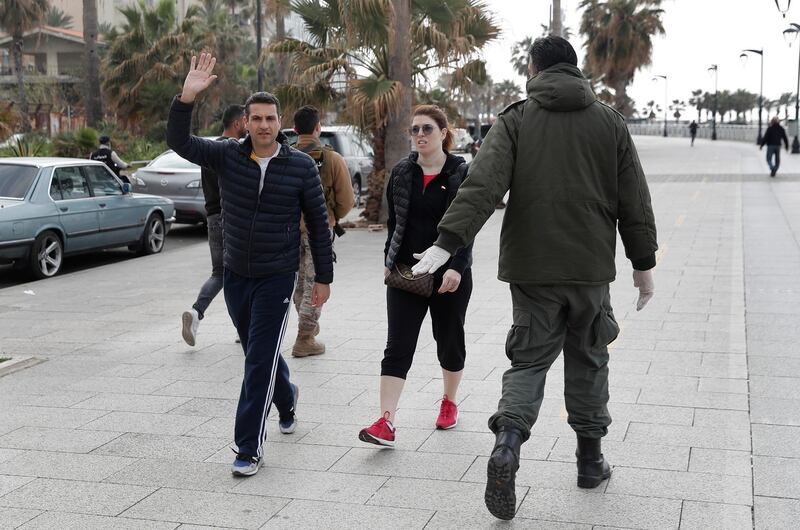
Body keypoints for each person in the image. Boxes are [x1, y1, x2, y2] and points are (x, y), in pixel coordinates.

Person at [411, 37, 658, 520]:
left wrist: (446, 242)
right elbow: (636, 200)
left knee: (527, 363)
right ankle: (590, 463)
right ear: (576, 67)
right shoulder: (610, 122)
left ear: (534, 67)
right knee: (589, 358)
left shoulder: (517, 119)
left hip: (531, 269)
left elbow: (482, 186)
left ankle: (507, 446)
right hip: (589, 271)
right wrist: (643, 266)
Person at [167, 53, 333, 477]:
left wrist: (323, 279)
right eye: (256, 118)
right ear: (246, 122)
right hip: (237, 275)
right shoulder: (226, 156)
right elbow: (179, 142)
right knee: (261, 355)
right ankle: (288, 395)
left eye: (270, 118)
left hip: (277, 276)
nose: (263, 125)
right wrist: (186, 98)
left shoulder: (300, 166)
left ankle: (248, 448)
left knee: (256, 359)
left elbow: (317, 220)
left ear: (281, 124)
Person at [358, 105, 473, 447]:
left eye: (427, 129)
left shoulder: (459, 172)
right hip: (406, 272)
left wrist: (456, 266)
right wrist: (388, 260)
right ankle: (386, 421)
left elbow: (468, 225)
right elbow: (396, 222)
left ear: (442, 132)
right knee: (398, 345)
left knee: (449, 340)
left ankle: (449, 402)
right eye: (415, 130)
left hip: (449, 274)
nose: (420, 135)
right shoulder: (402, 172)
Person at [290, 105, 354, 357]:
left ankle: (307, 327)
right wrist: (332, 216)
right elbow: (346, 200)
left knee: (298, 284)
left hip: (289, 229)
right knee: (315, 282)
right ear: (318, 128)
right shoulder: (332, 159)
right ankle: (305, 337)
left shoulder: (285, 156)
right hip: (320, 229)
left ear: (295, 129)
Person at [181, 104, 247, 346]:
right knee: (240, 273)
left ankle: (197, 313)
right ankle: (243, 327)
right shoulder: (236, 150)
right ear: (239, 123)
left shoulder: (210, 150)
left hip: (212, 217)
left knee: (220, 273)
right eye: (248, 121)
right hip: (233, 218)